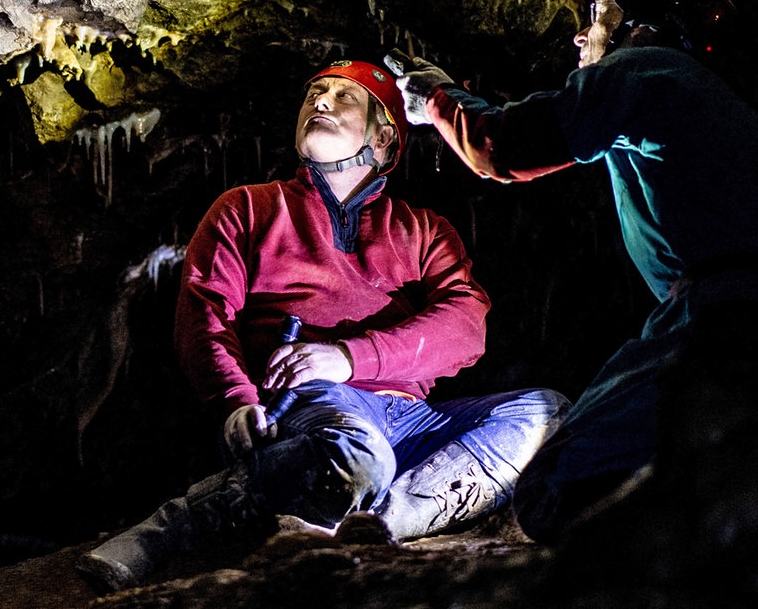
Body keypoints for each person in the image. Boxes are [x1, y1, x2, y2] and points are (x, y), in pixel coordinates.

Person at [385, 0, 758, 556]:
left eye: (598, 19)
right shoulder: (738, 119)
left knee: (553, 487)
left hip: (718, 319)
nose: (582, 37)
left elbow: (506, 146)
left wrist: (437, 101)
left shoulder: (648, 69)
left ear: (642, 27)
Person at [75, 59, 568, 595]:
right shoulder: (247, 208)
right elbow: (204, 314)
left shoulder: (424, 230)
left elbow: (467, 326)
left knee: (549, 413)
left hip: (413, 417)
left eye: (343, 96)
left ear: (384, 138)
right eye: (314, 93)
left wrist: (349, 357)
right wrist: (235, 398)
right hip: (313, 407)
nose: (321, 102)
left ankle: (378, 527)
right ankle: (185, 520)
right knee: (357, 453)